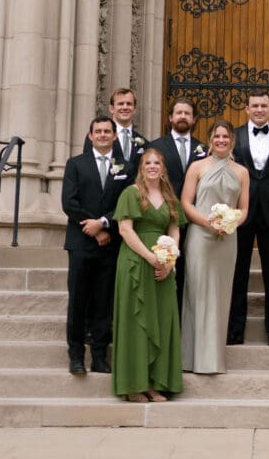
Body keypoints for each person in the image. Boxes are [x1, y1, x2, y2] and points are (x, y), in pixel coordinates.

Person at [111, 148, 185, 402]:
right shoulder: (131, 193)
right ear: (141, 168)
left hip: (163, 265)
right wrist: (150, 257)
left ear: (163, 168)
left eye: (157, 162)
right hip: (136, 262)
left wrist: (169, 259)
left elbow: (174, 230)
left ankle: (154, 383)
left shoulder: (169, 197)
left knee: (161, 320)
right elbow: (125, 230)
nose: (152, 166)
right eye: (147, 163)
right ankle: (133, 385)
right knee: (136, 322)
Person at [181, 120, 249, 373]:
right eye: (217, 136)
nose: (221, 140)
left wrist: (231, 223)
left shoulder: (241, 171)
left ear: (232, 140)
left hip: (226, 240)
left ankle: (213, 359)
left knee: (220, 295)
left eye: (226, 136)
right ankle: (191, 358)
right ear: (210, 140)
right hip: (201, 236)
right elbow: (186, 203)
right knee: (197, 294)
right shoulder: (196, 167)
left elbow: (244, 208)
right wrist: (208, 223)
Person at [61, 116, 128, 375]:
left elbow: (126, 202)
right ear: (90, 136)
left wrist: (103, 223)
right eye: (97, 131)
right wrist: (91, 227)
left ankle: (99, 357)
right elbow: (69, 202)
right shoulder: (75, 164)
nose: (102, 135)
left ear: (114, 136)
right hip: (80, 242)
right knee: (78, 301)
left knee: (104, 303)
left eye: (107, 131)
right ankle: (76, 355)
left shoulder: (126, 167)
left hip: (110, 243)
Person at [227, 91, 269, 345]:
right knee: (238, 272)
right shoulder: (235, 136)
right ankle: (234, 331)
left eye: (264, 105)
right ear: (246, 108)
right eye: (255, 105)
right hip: (241, 213)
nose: (259, 109)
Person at [150, 97, 206, 310]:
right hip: (164, 218)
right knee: (164, 268)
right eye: (179, 113)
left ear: (194, 119)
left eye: (187, 113)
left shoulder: (204, 149)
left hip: (194, 220)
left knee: (189, 271)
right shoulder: (155, 147)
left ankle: (184, 321)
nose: (183, 116)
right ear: (170, 118)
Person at [83, 87, 147, 182]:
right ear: (111, 108)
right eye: (120, 104)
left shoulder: (144, 143)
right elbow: (89, 168)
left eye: (129, 104)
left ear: (134, 109)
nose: (125, 107)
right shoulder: (97, 137)